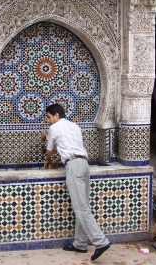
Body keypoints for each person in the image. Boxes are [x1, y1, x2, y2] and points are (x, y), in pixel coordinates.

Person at [44, 103, 111, 261]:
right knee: (83, 206)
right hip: (84, 165)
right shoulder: (75, 127)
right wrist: (57, 160)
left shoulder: (54, 127)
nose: (47, 120)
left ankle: (101, 242)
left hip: (74, 167)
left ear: (56, 115)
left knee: (80, 208)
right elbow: (71, 148)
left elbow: (50, 149)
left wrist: (48, 160)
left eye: (48, 117)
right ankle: (80, 243)